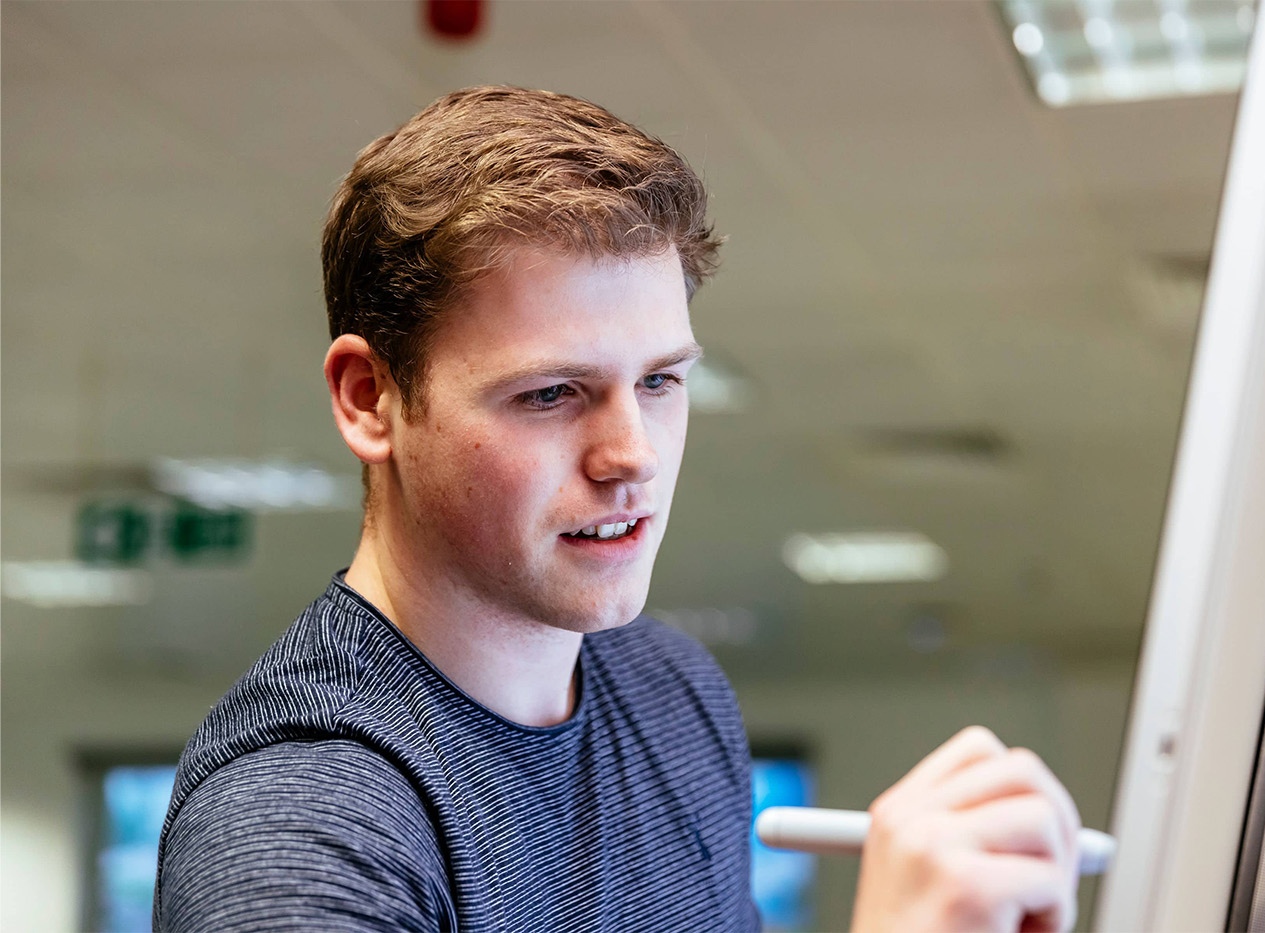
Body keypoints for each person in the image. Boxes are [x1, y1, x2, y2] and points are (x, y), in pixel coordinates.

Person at [154, 86, 1082, 933]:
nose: (632, 453)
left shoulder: (672, 690)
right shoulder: (299, 824)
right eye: (553, 392)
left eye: (662, 381)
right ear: (370, 398)